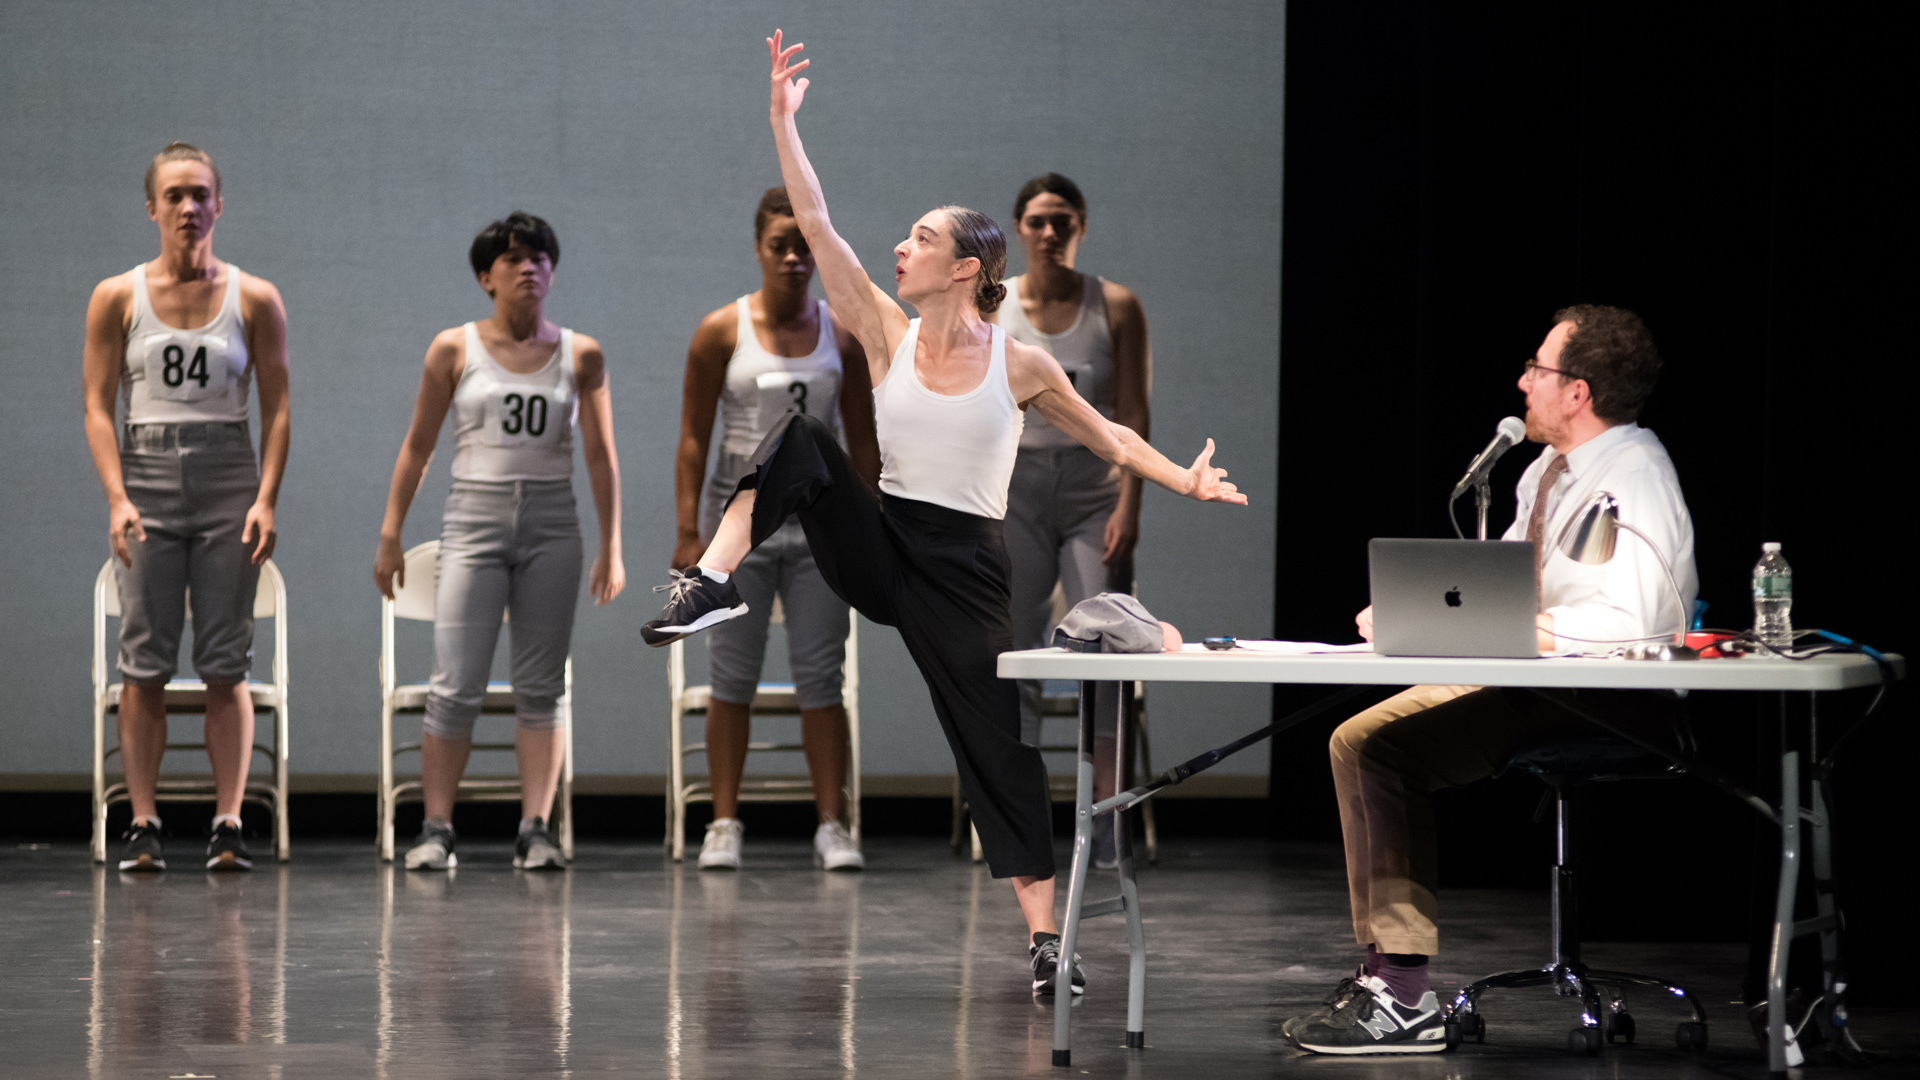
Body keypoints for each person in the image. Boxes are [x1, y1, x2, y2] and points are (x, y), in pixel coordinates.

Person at [643, 32, 1246, 995]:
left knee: (994, 746)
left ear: (967, 265)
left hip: (965, 569)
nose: (902, 248)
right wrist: (780, 124)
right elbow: (819, 220)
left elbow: (1109, 438)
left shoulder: (1019, 362)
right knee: (801, 442)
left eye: (921, 239)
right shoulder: (883, 329)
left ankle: (1048, 942)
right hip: (884, 539)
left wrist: (1184, 480)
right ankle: (711, 581)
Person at [1284, 305, 1696, 1054]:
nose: (1522, 381)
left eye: (1537, 369)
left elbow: (1630, 626)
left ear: (1577, 392)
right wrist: (1424, 615)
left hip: (1605, 699)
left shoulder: (1633, 474)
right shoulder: (1547, 470)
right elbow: (1498, 588)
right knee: (1355, 738)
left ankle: (1406, 997)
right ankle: (1385, 971)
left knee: (1383, 747)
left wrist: (1502, 629)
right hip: (1536, 682)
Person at [374, 212, 624, 872]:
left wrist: (612, 544)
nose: (528, 267)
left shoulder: (582, 353)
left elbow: (601, 456)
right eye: (513, 259)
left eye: (540, 256)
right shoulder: (453, 349)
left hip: (552, 525)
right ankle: (435, 827)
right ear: (487, 277)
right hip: (474, 522)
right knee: (455, 683)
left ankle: (536, 827)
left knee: (541, 686)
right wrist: (391, 531)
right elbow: (418, 447)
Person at [82, 143, 293, 873]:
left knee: (225, 660)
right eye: (173, 195)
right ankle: (142, 822)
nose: (188, 207)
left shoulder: (255, 296)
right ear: (152, 208)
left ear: (219, 204)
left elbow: (279, 406)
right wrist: (116, 496)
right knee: (143, 659)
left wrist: (266, 496)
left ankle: (228, 821)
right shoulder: (117, 296)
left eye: (200, 194)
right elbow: (97, 406)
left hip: (227, 473)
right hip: (145, 473)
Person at [671, 187, 881, 872]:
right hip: (740, 527)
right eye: (779, 246)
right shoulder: (719, 331)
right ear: (758, 249)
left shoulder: (839, 336)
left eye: (805, 248)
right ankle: (724, 823)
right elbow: (694, 441)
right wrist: (686, 530)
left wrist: (874, 522)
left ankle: (831, 824)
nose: (794, 258)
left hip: (818, 528)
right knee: (731, 675)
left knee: (822, 675)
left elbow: (863, 442)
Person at [992, 173, 1151, 868]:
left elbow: (1136, 413)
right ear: (1018, 230)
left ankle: (1105, 836)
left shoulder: (1115, 305)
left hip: (1093, 494)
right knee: (1018, 654)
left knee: (1104, 656)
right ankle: (1018, 826)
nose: (1050, 233)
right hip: (1016, 493)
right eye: (1037, 221)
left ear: (1081, 225)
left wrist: (1129, 503)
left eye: (1062, 221)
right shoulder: (994, 309)